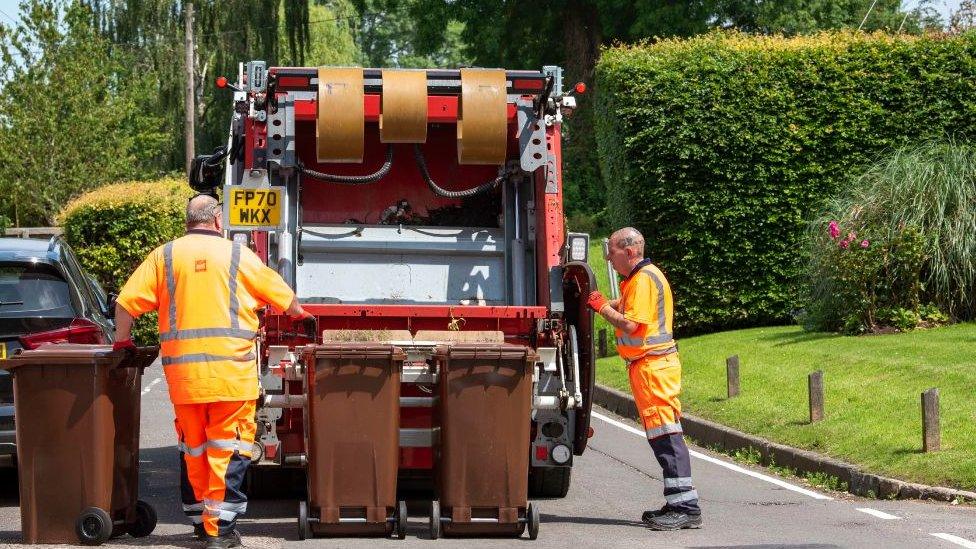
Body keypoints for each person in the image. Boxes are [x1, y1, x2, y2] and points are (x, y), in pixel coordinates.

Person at [113, 193, 315, 548]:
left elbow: (126, 304)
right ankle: (219, 529)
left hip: (184, 381)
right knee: (227, 448)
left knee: (195, 448)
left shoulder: (165, 256)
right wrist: (304, 314)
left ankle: (200, 522)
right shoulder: (238, 255)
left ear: (188, 221)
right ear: (218, 221)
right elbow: (286, 299)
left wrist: (122, 342)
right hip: (230, 378)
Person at [587, 227, 703, 530]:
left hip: (653, 367)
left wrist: (600, 307)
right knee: (662, 436)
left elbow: (631, 325)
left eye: (611, 253)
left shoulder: (643, 280)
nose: (609, 260)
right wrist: (602, 302)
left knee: (666, 436)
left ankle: (686, 508)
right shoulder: (639, 279)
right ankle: (679, 501)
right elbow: (624, 306)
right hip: (651, 367)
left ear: (629, 252)